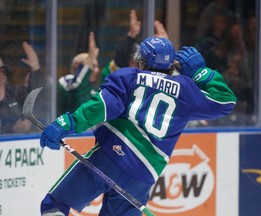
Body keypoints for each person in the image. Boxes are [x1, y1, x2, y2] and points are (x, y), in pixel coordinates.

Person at [39, 36, 236, 216]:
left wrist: (68, 123)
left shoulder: (129, 77)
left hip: (110, 157)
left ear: (143, 61)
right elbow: (225, 102)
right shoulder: (185, 90)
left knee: (55, 205)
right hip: (143, 176)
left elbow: (103, 106)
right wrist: (202, 73)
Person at [0, 41, 42, 134]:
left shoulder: (13, 93)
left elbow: (34, 95)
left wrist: (36, 69)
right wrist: (12, 129)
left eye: (3, 72)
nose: (2, 75)